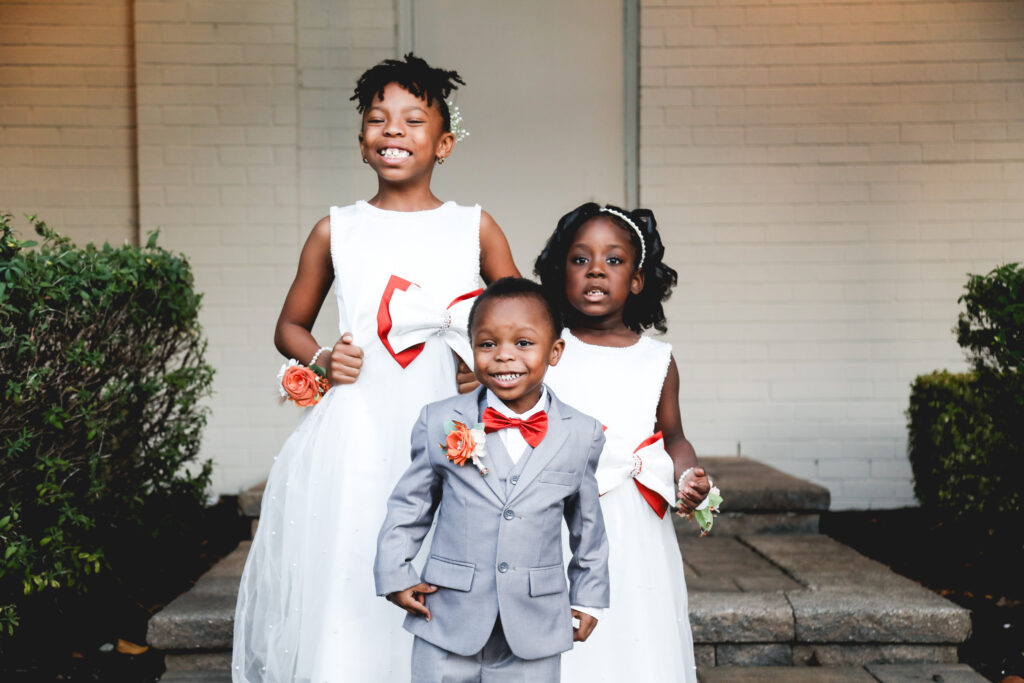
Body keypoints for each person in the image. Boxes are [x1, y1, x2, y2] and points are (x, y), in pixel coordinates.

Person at [232, 54, 519, 682]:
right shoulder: (336, 229)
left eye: (413, 120)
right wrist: (322, 358)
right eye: (378, 118)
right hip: (359, 427)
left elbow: (522, 323)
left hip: (453, 426)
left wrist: (485, 365)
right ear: (362, 141)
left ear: (444, 143)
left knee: (448, 553)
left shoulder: (474, 226)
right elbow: (289, 327)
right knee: (354, 553)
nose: (393, 130)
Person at [375, 277, 610, 683]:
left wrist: (589, 596)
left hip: (536, 622)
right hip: (447, 616)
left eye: (523, 343)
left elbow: (588, 524)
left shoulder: (581, 432)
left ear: (555, 351)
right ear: (471, 349)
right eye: (487, 344)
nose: (504, 355)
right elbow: (410, 506)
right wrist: (395, 572)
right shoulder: (439, 420)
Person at [535, 202, 711, 683]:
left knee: (637, 624)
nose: (595, 269)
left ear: (636, 280)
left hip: (637, 525)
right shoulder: (549, 350)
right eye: (580, 259)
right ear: (562, 273)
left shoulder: (657, 360)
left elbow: (673, 437)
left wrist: (688, 476)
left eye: (613, 260)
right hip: (565, 517)